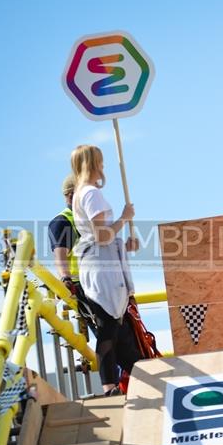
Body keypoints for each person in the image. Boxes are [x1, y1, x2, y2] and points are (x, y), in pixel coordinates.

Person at [70, 145, 141, 395]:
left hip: (100, 263)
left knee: (118, 331)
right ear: (94, 163)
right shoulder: (91, 194)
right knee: (109, 327)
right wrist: (124, 217)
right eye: (100, 161)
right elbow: (101, 235)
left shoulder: (82, 193)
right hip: (101, 268)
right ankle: (109, 384)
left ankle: (144, 375)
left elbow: (102, 235)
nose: (103, 166)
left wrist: (123, 241)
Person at [48, 174, 80, 284]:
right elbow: (60, 257)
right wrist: (66, 279)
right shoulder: (62, 221)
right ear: (71, 196)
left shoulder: (91, 221)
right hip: (79, 289)